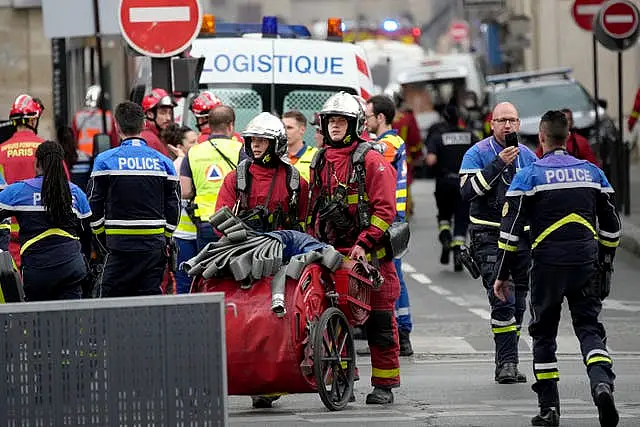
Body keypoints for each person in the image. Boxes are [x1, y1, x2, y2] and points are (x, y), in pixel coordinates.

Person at [494, 110, 621, 427]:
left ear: (541, 137)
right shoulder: (593, 173)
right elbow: (613, 228)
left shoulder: (529, 176)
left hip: (548, 265)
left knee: (544, 334)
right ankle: (601, 383)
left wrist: (502, 275)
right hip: (585, 262)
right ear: (568, 137)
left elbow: (510, 235)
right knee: (590, 330)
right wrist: (604, 264)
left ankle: (549, 409)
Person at [307, 91, 400, 404]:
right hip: (332, 255)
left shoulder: (371, 159)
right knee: (332, 321)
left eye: (341, 121)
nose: (334, 126)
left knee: (380, 322)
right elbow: (314, 208)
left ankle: (384, 386)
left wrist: (364, 242)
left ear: (355, 123)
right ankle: (342, 378)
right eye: (330, 121)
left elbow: (385, 210)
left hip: (370, 258)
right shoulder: (319, 160)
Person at [459, 102, 538, 384]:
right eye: (502, 120)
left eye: (512, 120)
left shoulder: (529, 155)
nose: (508, 126)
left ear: (519, 124)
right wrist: (498, 164)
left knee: (519, 304)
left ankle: (509, 360)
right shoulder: (477, 153)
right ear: (491, 124)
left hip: (522, 237)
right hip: (488, 235)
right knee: (502, 299)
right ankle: (506, 363)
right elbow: (468, 192)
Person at [88, 101, 180, 297]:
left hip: (118, 245)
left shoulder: (105, 160)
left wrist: (101, 234)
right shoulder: (165, 162)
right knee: (150, 301)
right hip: (153, 246)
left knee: (113, 302)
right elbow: (174, 206)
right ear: (144, 124)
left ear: (117, 125)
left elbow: (94, 203)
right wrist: (165, 236)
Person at [0, 141, 91, 301]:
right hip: (72, 268)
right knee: (71, 321)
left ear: (37, 163)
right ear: (60, 164)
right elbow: (89, 234)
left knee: (39, 322)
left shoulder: (19, 190)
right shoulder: (77, 193)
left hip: (37, 271)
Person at [365, 94, 413, 357]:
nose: (365, 121)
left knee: (393, 275)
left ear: (380, 117)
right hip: (392, 218)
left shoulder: (389, 141)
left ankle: (403, 332)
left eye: (368, 117)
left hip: (391, 220)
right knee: (392, 274)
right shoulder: (385, 141)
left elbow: (372, 154)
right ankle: (401, 329)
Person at [180, 105, 244, 250]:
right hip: (233, 221)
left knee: (207, 269)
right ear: (230, 125)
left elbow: (185, 191)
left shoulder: (193, 152)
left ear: (209, 124)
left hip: (205, 221)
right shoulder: (241, 150)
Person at [426, 104, 478, 271]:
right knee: (462, 218)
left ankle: (445, 235)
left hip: (444, 182)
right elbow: (481, 156)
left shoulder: (437, 136)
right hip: (464, 183)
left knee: (444, 216)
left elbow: (431, 160)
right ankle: (457, 250)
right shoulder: (470, 136)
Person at [0, 94, 46, 268]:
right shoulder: (46, 149)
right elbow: (65, 187)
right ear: (33, 120)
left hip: (7, 241)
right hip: (42, 238)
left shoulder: (1, 151)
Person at [162, 123, 199, 294]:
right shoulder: (178, 166)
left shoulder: (192, 163)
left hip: (189, 233)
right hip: (184, 234)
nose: (197, 145)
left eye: (198, 140)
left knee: (186, 281)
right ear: (180, 147)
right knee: (186, 282)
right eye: (192, 142)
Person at [71, 85, 119, 156]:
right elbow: (114, 140)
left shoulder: (78, 116)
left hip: (83, 156)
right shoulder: (108, 116)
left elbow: (73, 139)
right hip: (103, 156)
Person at [282, 110, 318, 182]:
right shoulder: (275, 157)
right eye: (283, 128)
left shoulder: (316, 156)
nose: (284, 132)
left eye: (289, 128)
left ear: (302, 130)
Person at [141, 88, 176, 157]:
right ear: (150, 114)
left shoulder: (157, 136)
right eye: (163, 113)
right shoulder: (150, 140)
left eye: (170, 113)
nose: (168, 118)